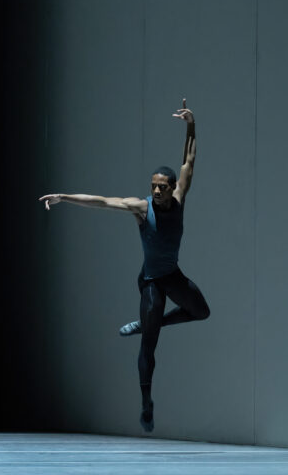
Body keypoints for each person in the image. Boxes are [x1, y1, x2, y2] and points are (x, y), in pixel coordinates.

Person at [39, 99, 210, 433]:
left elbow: (189, 159)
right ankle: (146, 404)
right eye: (154, 186)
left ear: (172, 187)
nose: (158, 191)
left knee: (201, 310)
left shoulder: (179, 198)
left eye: (163, 186)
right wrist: (64, 197)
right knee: (150, 345)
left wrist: (192, 123)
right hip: (150, 281)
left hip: (172, 275)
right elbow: (103, 202)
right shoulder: (140, 209)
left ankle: (149, 323)